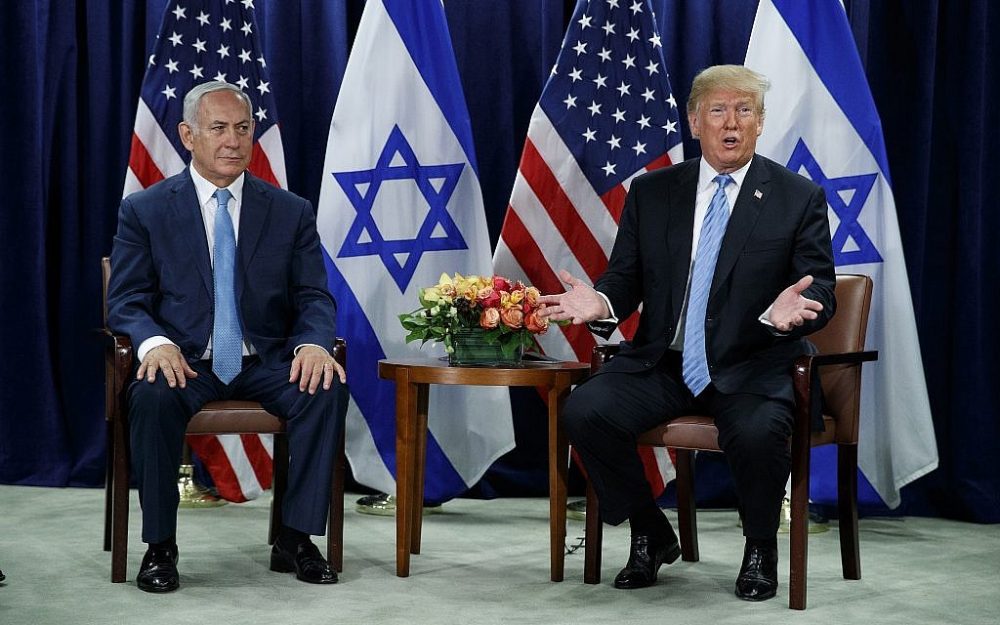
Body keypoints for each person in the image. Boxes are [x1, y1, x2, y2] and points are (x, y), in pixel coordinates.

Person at [538, 65, 835, 602]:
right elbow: (624, 277)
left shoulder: (797, 197)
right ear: (695, 121)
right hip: (666, 362)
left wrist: (802, 307)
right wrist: (600, 301)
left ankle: (760, 548)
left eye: (745, 111)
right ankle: (650, 530)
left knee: (758, 429)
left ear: (761, 123)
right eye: (718, 110)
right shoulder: (654, 192)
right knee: (584, 410)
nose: (731, 123)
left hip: (753, 362)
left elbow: (821, 289)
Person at [107, 81, 347, 593]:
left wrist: (312, 343)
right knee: (150, 395)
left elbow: (314, 296)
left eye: (243, 129)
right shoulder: (145, 210)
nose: (234, 142)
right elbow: (125, 300)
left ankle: (296, 536)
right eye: (219, 129)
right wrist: (154, 343)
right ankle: (160, 546)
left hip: (265, 359)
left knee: (324, 387)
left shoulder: (290, 211)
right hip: (186, 360)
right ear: (188, 135)